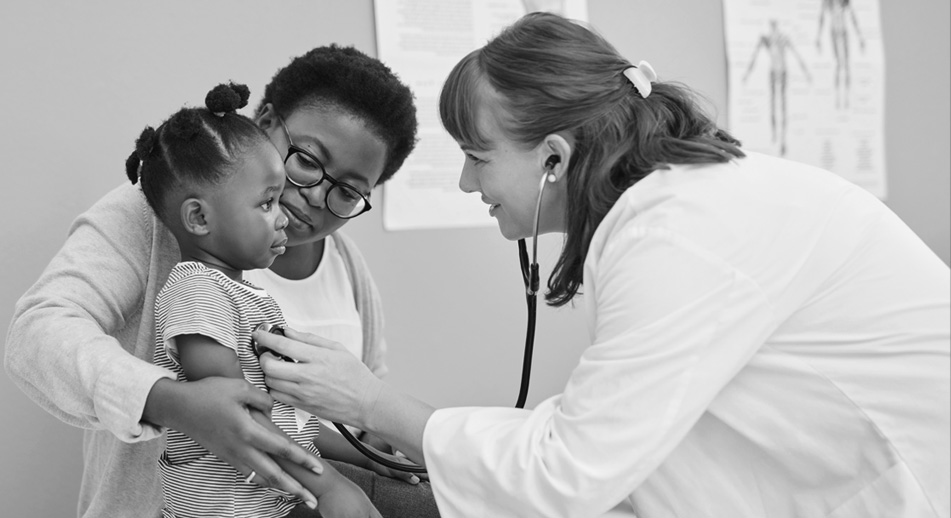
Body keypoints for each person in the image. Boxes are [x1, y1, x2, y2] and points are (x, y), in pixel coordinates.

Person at [253, 12, 951, 518]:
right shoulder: (665, 215)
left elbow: (568, 469)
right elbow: (598, 441)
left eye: (475, 155)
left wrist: (370, 404)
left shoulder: (681, 234)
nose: (468, 185)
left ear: (553, 157)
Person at [4, 45, 438, 518]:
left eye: (348, 191)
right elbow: (37, 334)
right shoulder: (155, 220)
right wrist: (170, 401)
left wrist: (372, 447)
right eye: (308, 161)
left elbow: (354, 393)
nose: (315, 196)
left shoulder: (345, 265)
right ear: (267, 121)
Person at [129, 81, 389, 517]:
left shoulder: (242, 292)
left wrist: (364, 457)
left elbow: (286, 419)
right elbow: (245, 418)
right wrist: (333, 488)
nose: (284, 213)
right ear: (198, 217)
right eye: (267, 203)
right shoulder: (196, 291)